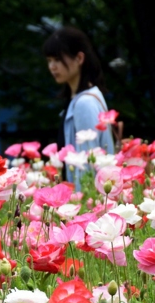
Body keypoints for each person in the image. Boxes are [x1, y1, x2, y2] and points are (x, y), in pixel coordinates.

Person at [43, 27, 119, 186]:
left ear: (79, 58)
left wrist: (81, 203)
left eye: (57, 59)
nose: (52, 67)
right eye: (49, 60)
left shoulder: (84, 103)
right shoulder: (82, 98)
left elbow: (86, 164)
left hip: (87, 200)